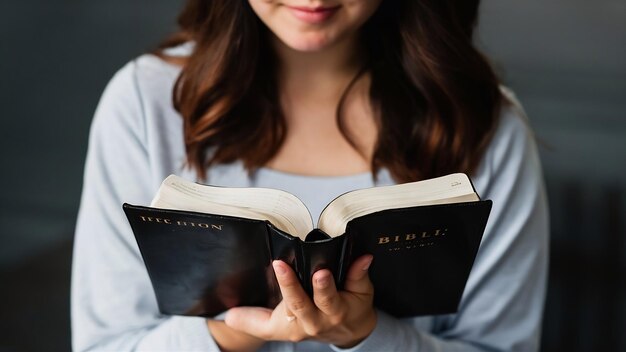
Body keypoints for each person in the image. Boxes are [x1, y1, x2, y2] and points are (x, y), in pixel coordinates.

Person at [71, 0, 549, 351]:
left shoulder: (483, 125)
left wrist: (365, 334)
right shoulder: (146, 103)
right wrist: (237, 330)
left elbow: (499, 345)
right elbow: (106, 344)